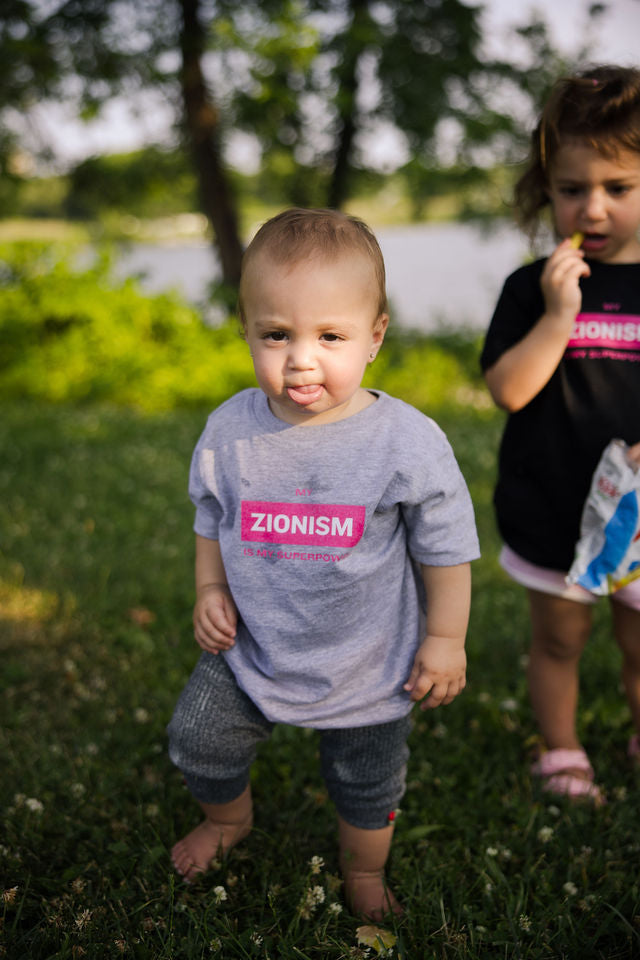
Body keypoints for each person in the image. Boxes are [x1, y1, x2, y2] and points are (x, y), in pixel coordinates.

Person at [168, 207, 480, 919]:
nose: (301, 359)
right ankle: (228, 819)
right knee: (199, 736)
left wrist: (444, 639)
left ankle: (364, 875)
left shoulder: (405, 440)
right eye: (276, 334)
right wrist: (210, 585)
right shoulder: (230, 430)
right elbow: (211, 516)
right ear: (246, 329)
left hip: (371, 661)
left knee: (367, 781)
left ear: (374, 337)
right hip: (254, 647)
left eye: (330, 336)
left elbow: (446, 548)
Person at [480, 65, 640, 806]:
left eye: (619, 188)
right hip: (552, 507)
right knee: (559, 640)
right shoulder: (532, 287)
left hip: (638, 520)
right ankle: (563, 749)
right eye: (573, 188)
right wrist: (556, 316)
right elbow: (510, 390)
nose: (594, 208)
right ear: (546, 189)